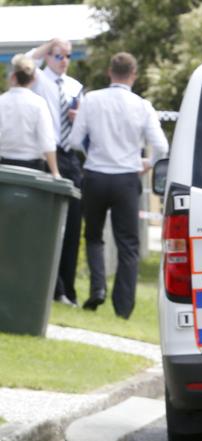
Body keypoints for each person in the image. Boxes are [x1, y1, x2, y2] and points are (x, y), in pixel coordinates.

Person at [69, 52, 169, 319]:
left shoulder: (92, 100)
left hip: (96, 174)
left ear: (109, 72)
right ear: (133, 75)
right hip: (126, 177)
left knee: (93, 235)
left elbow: (76, 139)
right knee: (128, 244)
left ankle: (98, 287)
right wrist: (146, 163)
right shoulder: (142, 105)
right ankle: (123, 306)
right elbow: (162, 145)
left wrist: (92, 153)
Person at [28, 38, 84, 306]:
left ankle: (67, 289)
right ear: (49, 56)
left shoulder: (75, 86)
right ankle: (53, 287)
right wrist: (51, 42)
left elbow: (83, 131)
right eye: (59, 56)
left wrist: (79, 118)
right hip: (47, 154)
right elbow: (27, 60)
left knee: (73, 225)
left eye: (68, 57)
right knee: (51, 224)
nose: (64, 62)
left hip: (70, 156)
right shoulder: (40, 79)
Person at [0, 55, 59, 176]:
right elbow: (47, 141)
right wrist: (55, 172)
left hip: (4, 167)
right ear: (34, 78)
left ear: (13, 76)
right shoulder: (39, 103)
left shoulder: (2, 101)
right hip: (32, 168)